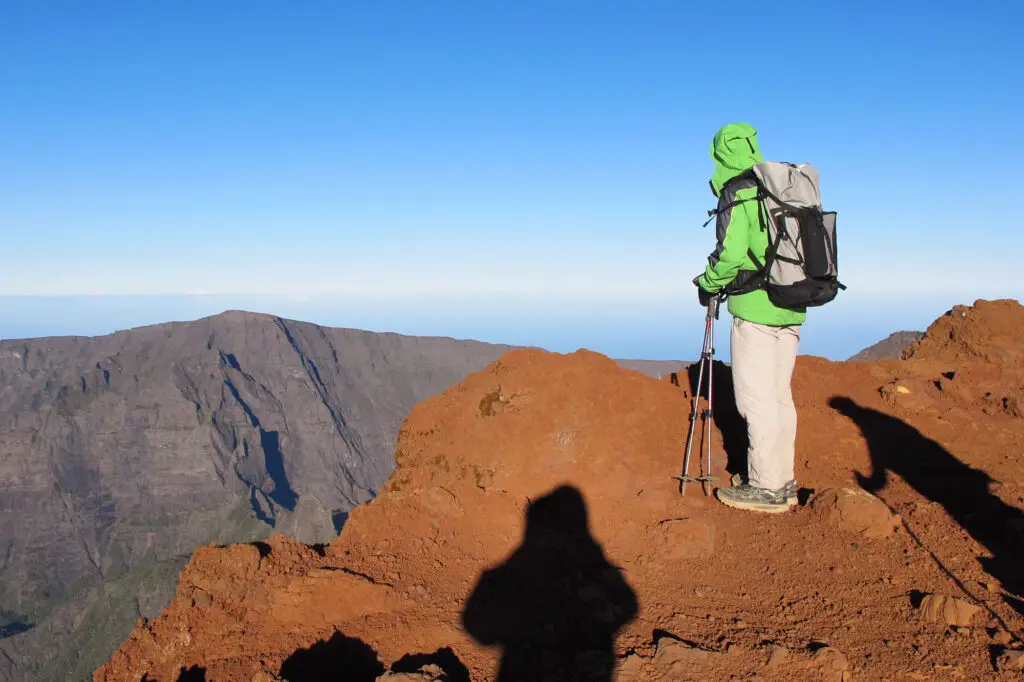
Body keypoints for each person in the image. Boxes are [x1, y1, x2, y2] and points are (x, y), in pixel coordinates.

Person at [694, 123, 804, 513]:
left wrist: (707, 283)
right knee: (779, 397)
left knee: (756, 401)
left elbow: (732, 256)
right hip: (792, 305)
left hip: (754, 309)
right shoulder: (779, 186)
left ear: (719, 153)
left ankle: (766, 487)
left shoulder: (739, 190)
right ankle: (783, 480)